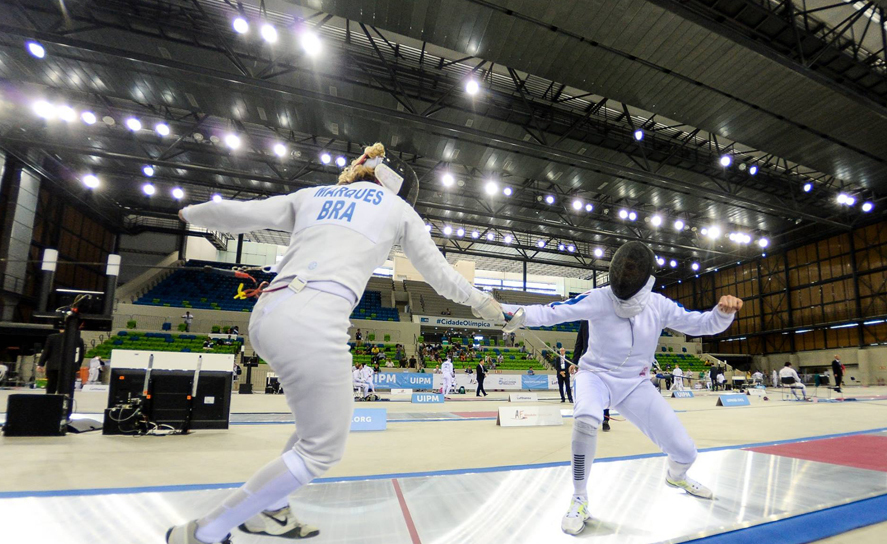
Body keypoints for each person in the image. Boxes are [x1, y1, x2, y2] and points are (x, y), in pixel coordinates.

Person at [167, 142, 502, 544]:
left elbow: (245, 211)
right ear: (399, 188)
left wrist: (192, 213)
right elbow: (441, 275)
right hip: (314, 319)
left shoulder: (313, 195)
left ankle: (270, 510)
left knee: (314, 431)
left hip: (268, 313)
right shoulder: (397, 210)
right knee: (321, 450)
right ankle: (203, 533)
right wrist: (484, 303)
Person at [500, 241, 741, 535]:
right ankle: (579, 497)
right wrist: (505, 311)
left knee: (686, 452)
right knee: (586, 420)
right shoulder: (599, 298)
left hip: (635, 383)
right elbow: (550, 312)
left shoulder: (659, 305)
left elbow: (702, 324)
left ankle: (677, 476)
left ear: (646, 281)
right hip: (595, 376)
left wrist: (723, 312)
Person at [573, 321, 611, 431]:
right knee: (587, 392)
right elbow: (579, 343)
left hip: (605, 363)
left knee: (605, 391)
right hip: (587, 363)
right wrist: (574, 363)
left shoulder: (606, 319)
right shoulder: (584, 322)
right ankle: (589, 419)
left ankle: (606, 419)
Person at [37, 326, 85, 395]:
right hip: (69, 368)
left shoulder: (52, 337)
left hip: (53, 367)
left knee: (51, 388)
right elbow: (80, 355)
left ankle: (49, 402)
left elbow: (46, 352)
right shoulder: (78, 339)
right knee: (66, 389)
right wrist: (76, 366)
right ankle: (63, 402)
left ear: (60, 329)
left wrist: (41, 364)